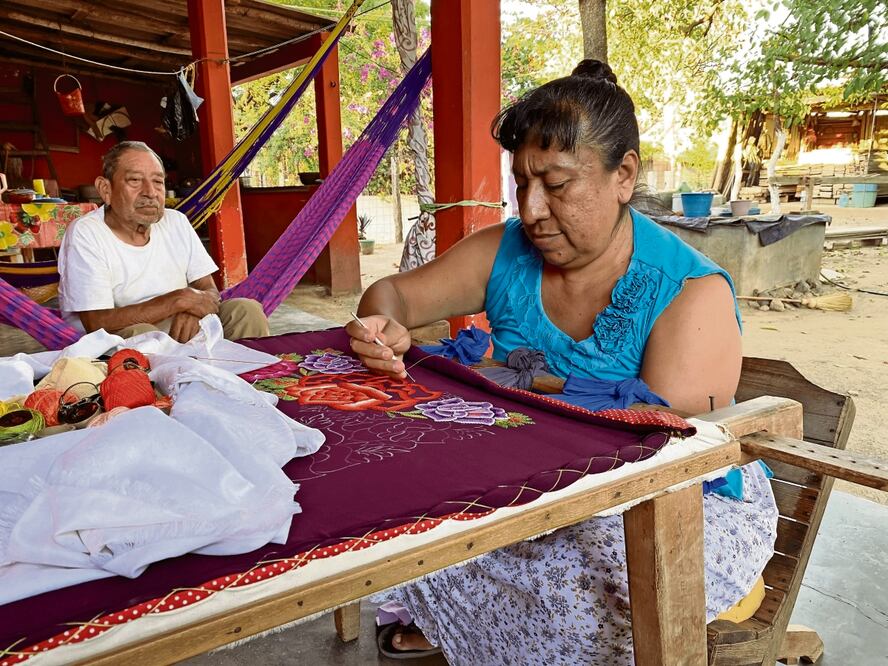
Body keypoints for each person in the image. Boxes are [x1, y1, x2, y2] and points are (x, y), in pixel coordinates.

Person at [345, 61, 777, 665]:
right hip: (532, 473)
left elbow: (660, 458)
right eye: (521, 182)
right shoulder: (506, 252)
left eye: (555, 184)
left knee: (576, 573)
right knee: (405, 494)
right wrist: (380, 324)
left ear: (624, 175)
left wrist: (507, 392)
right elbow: (393, 294)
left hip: (670, 502)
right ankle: (463, 629)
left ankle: (481, 635)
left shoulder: (688, 293)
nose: (532, 209)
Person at [58, 141, 269, 343]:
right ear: (106, 189)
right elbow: (96, 321)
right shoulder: (86, 233)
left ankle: (250, 378)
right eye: (135, 181)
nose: (150, 192)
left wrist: (193, 309)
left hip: (183, 331)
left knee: (246, 310)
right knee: (143, 334)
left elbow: (209, 290)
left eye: (158, 182)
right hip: (122, 342)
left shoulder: (176, 221)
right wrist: (178, 301)